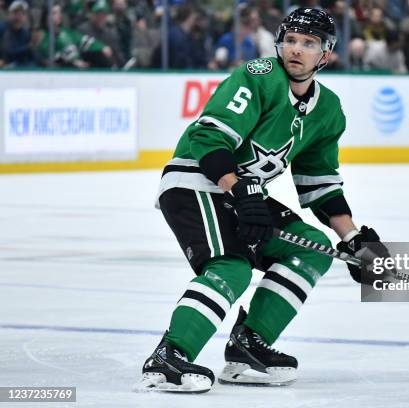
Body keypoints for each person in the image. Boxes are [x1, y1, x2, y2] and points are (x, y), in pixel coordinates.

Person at [135, 7, 390, 393]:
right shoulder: (259, 76)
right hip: (196, 182)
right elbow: (208, 139)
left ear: (326, 54)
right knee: (232, 267)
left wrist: (353, 239)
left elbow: (319, 184)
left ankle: (247, 347)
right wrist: (240, 189)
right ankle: (169, 356)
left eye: (308, 43)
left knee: (315, 248)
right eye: (290, 40)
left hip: (244, 194)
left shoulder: (328, 110)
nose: (296, 50)